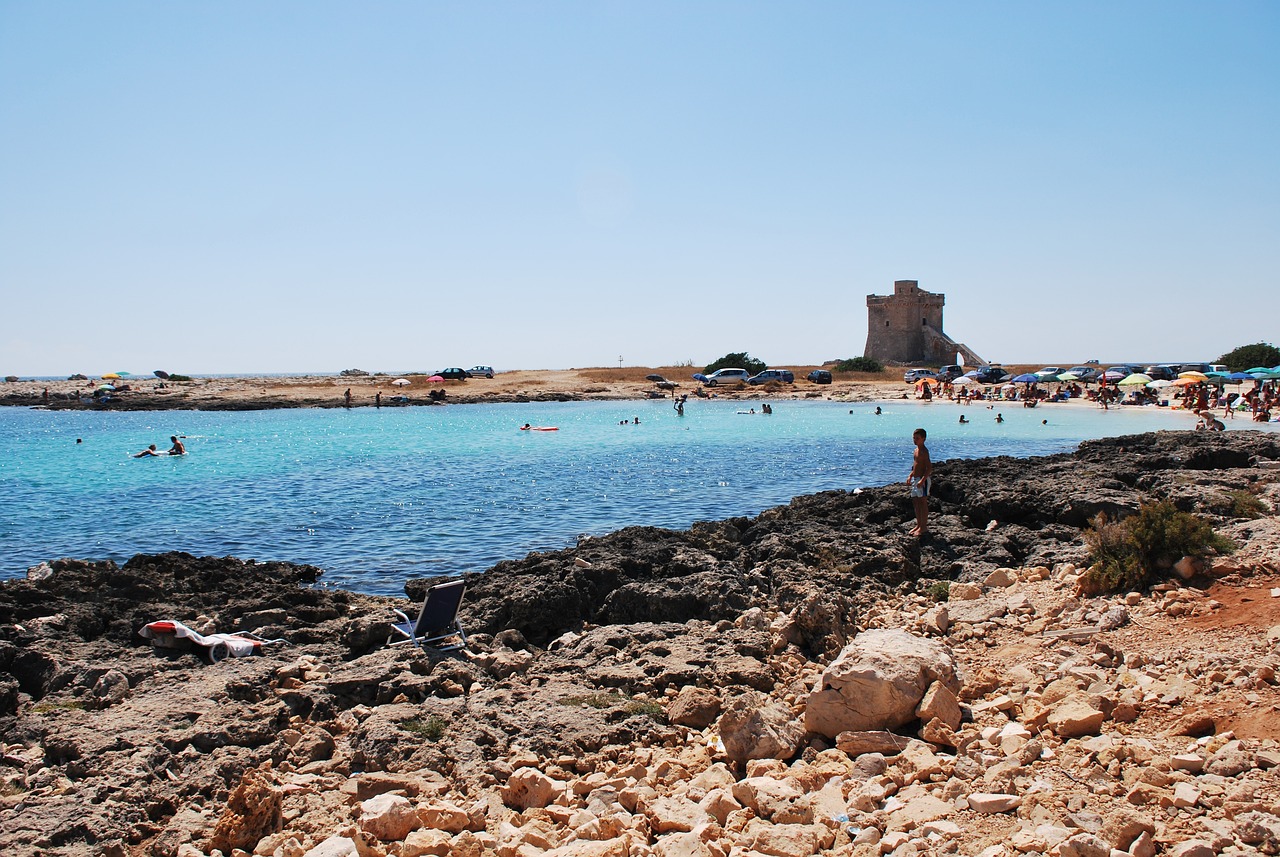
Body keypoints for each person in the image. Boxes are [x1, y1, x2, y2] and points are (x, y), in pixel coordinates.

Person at [906, 428, 932, 537]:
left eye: (917, 438)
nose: (915, 440)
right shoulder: (916, 450)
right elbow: (915, 465)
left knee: (922, 502)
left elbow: (929, 468)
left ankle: (923, 527)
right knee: (916, 501)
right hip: (916, 479)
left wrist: (922, 480)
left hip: (923, 480)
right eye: (914, 438)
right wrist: (910, 475)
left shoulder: (924, 451)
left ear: (923, 439)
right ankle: (918, 524)